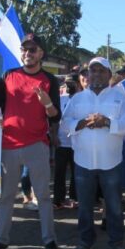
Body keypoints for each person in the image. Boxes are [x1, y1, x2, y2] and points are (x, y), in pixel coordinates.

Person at [0, 33, 62, 249]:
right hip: (9, 145)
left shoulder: (49, 80)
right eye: (25, 49)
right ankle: (1, 240)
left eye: (33, 49)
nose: (28, 53)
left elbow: (55, 117)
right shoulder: (9, 75)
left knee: (43, 196)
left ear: (41, 54)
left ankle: (49, 241)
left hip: (37, 144)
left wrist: (47, 103)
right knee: (6, 196)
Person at [63, 57, 125, 249]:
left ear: (110, 75)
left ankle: (117, 242)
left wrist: (106, 122)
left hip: (111, 162)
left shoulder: (119, 98)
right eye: (92, 71)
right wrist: (83, 123)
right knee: (85, 206)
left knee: (114, 206)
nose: (96, 74)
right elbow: (65, 123)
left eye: (101, 71)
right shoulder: (77, 99)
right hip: (83, 162)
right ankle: (85, 242)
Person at [53, 78, 79, 210]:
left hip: (76, 143)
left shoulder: (81, 99)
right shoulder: (61, 99)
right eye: (66, 84)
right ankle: (58, 199)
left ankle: (74, 198)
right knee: (59, 173)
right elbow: (55, 119)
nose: (68, 86)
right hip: (61, 142)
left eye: (71, 84)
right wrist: (54, 136)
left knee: (76, 173)